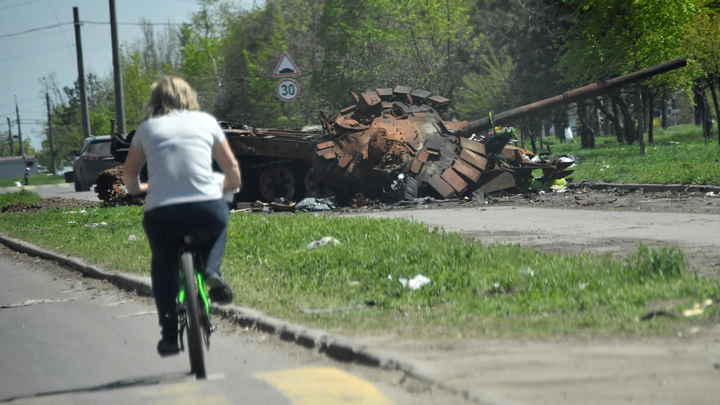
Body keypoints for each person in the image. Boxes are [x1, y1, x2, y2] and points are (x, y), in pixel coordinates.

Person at [123, 76, 242, 357]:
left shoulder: (145, 128)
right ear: (189, 97)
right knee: (220, 221)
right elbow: (232, 170)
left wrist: (139, 189)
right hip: (205, 207)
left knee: (164, 265)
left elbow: (129, 176)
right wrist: (229, 185)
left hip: (161, 213)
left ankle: (169, 336)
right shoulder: (207, 122)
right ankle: (212, 271)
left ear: (155, 101)